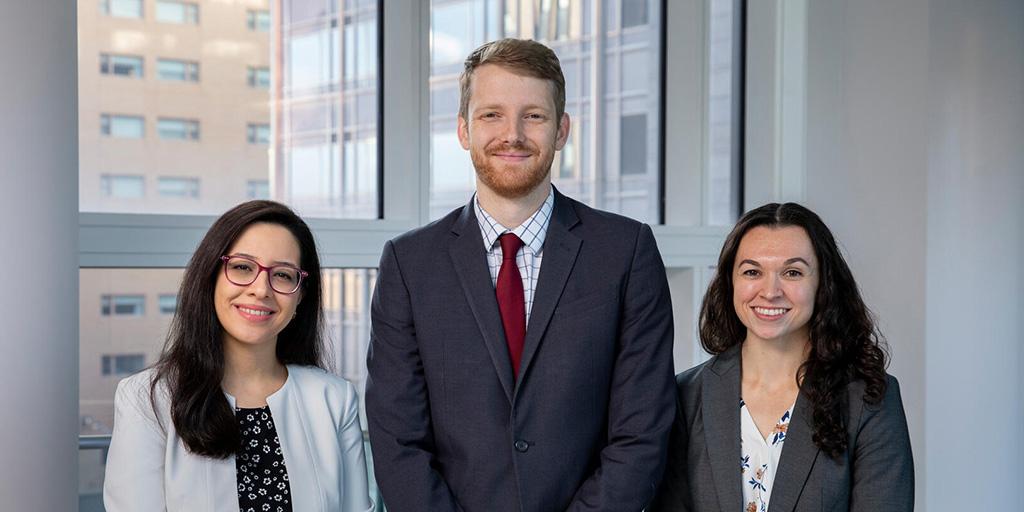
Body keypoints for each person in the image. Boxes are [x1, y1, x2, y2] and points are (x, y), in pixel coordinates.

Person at [365, 38, 675, 511]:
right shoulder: (409, 265)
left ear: (562, 130)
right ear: (464, 130)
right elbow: (398, 441)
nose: (513, 134)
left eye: (534, 115)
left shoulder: (625, 252)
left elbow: (642, 430)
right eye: (491, 114)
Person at [103, 200, 374, 512]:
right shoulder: (147, 399)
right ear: (211, 277)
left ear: (301, 296)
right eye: (243, 267)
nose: (261, 289)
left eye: (283, 275)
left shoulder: (335, 399)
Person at [649, 203, 914, 511]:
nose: (770, 291)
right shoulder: (685, 397)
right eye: (752, 271)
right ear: (730, 282)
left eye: (792, 272)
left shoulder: (869, 400)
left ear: (823, 284)